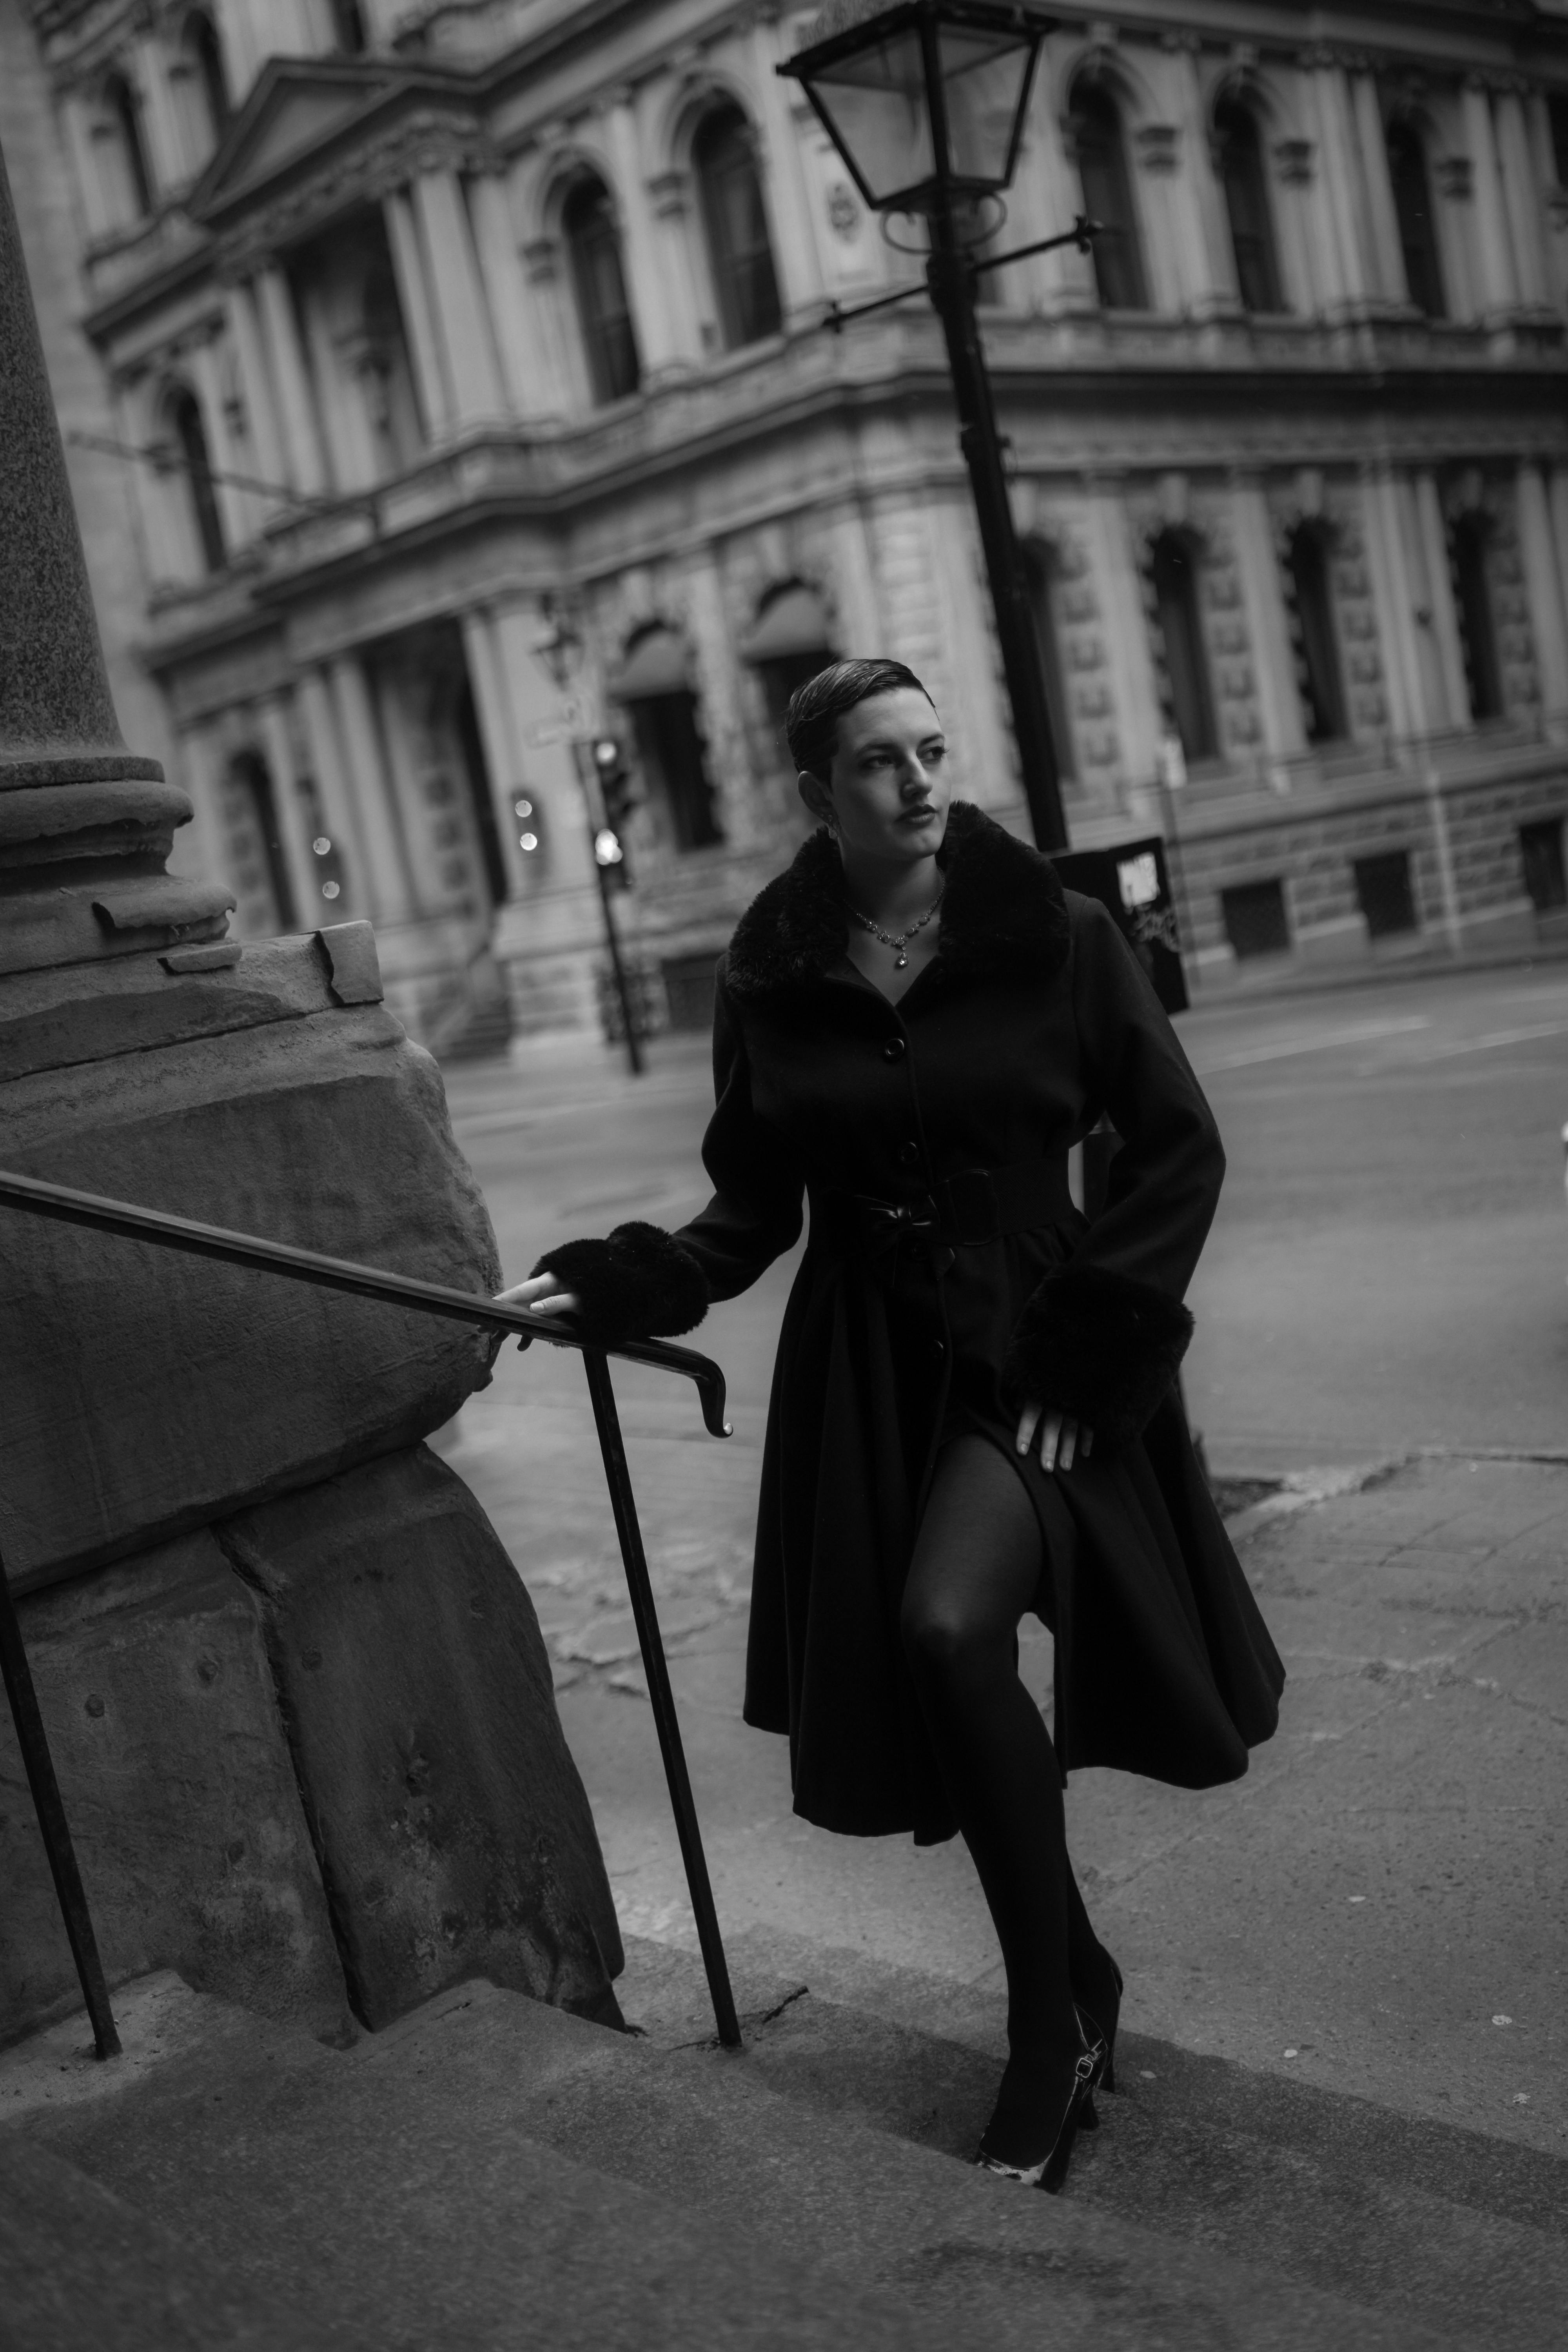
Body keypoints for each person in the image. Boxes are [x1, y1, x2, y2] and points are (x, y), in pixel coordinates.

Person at [501, 657, 1283, 2193]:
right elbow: (749, 1207)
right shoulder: (768, 974)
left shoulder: (1053, 936)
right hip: (868, 1383)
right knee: (941, 1673)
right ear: (815, 792)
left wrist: (1096, 1347)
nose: (919, 781)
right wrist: (617, 1281)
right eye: (879, 762)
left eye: (931, 750)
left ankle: (1045, 2027)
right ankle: (1082, 1977)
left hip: (1042, 1362)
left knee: (942, 1631)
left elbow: (1174, 1146)